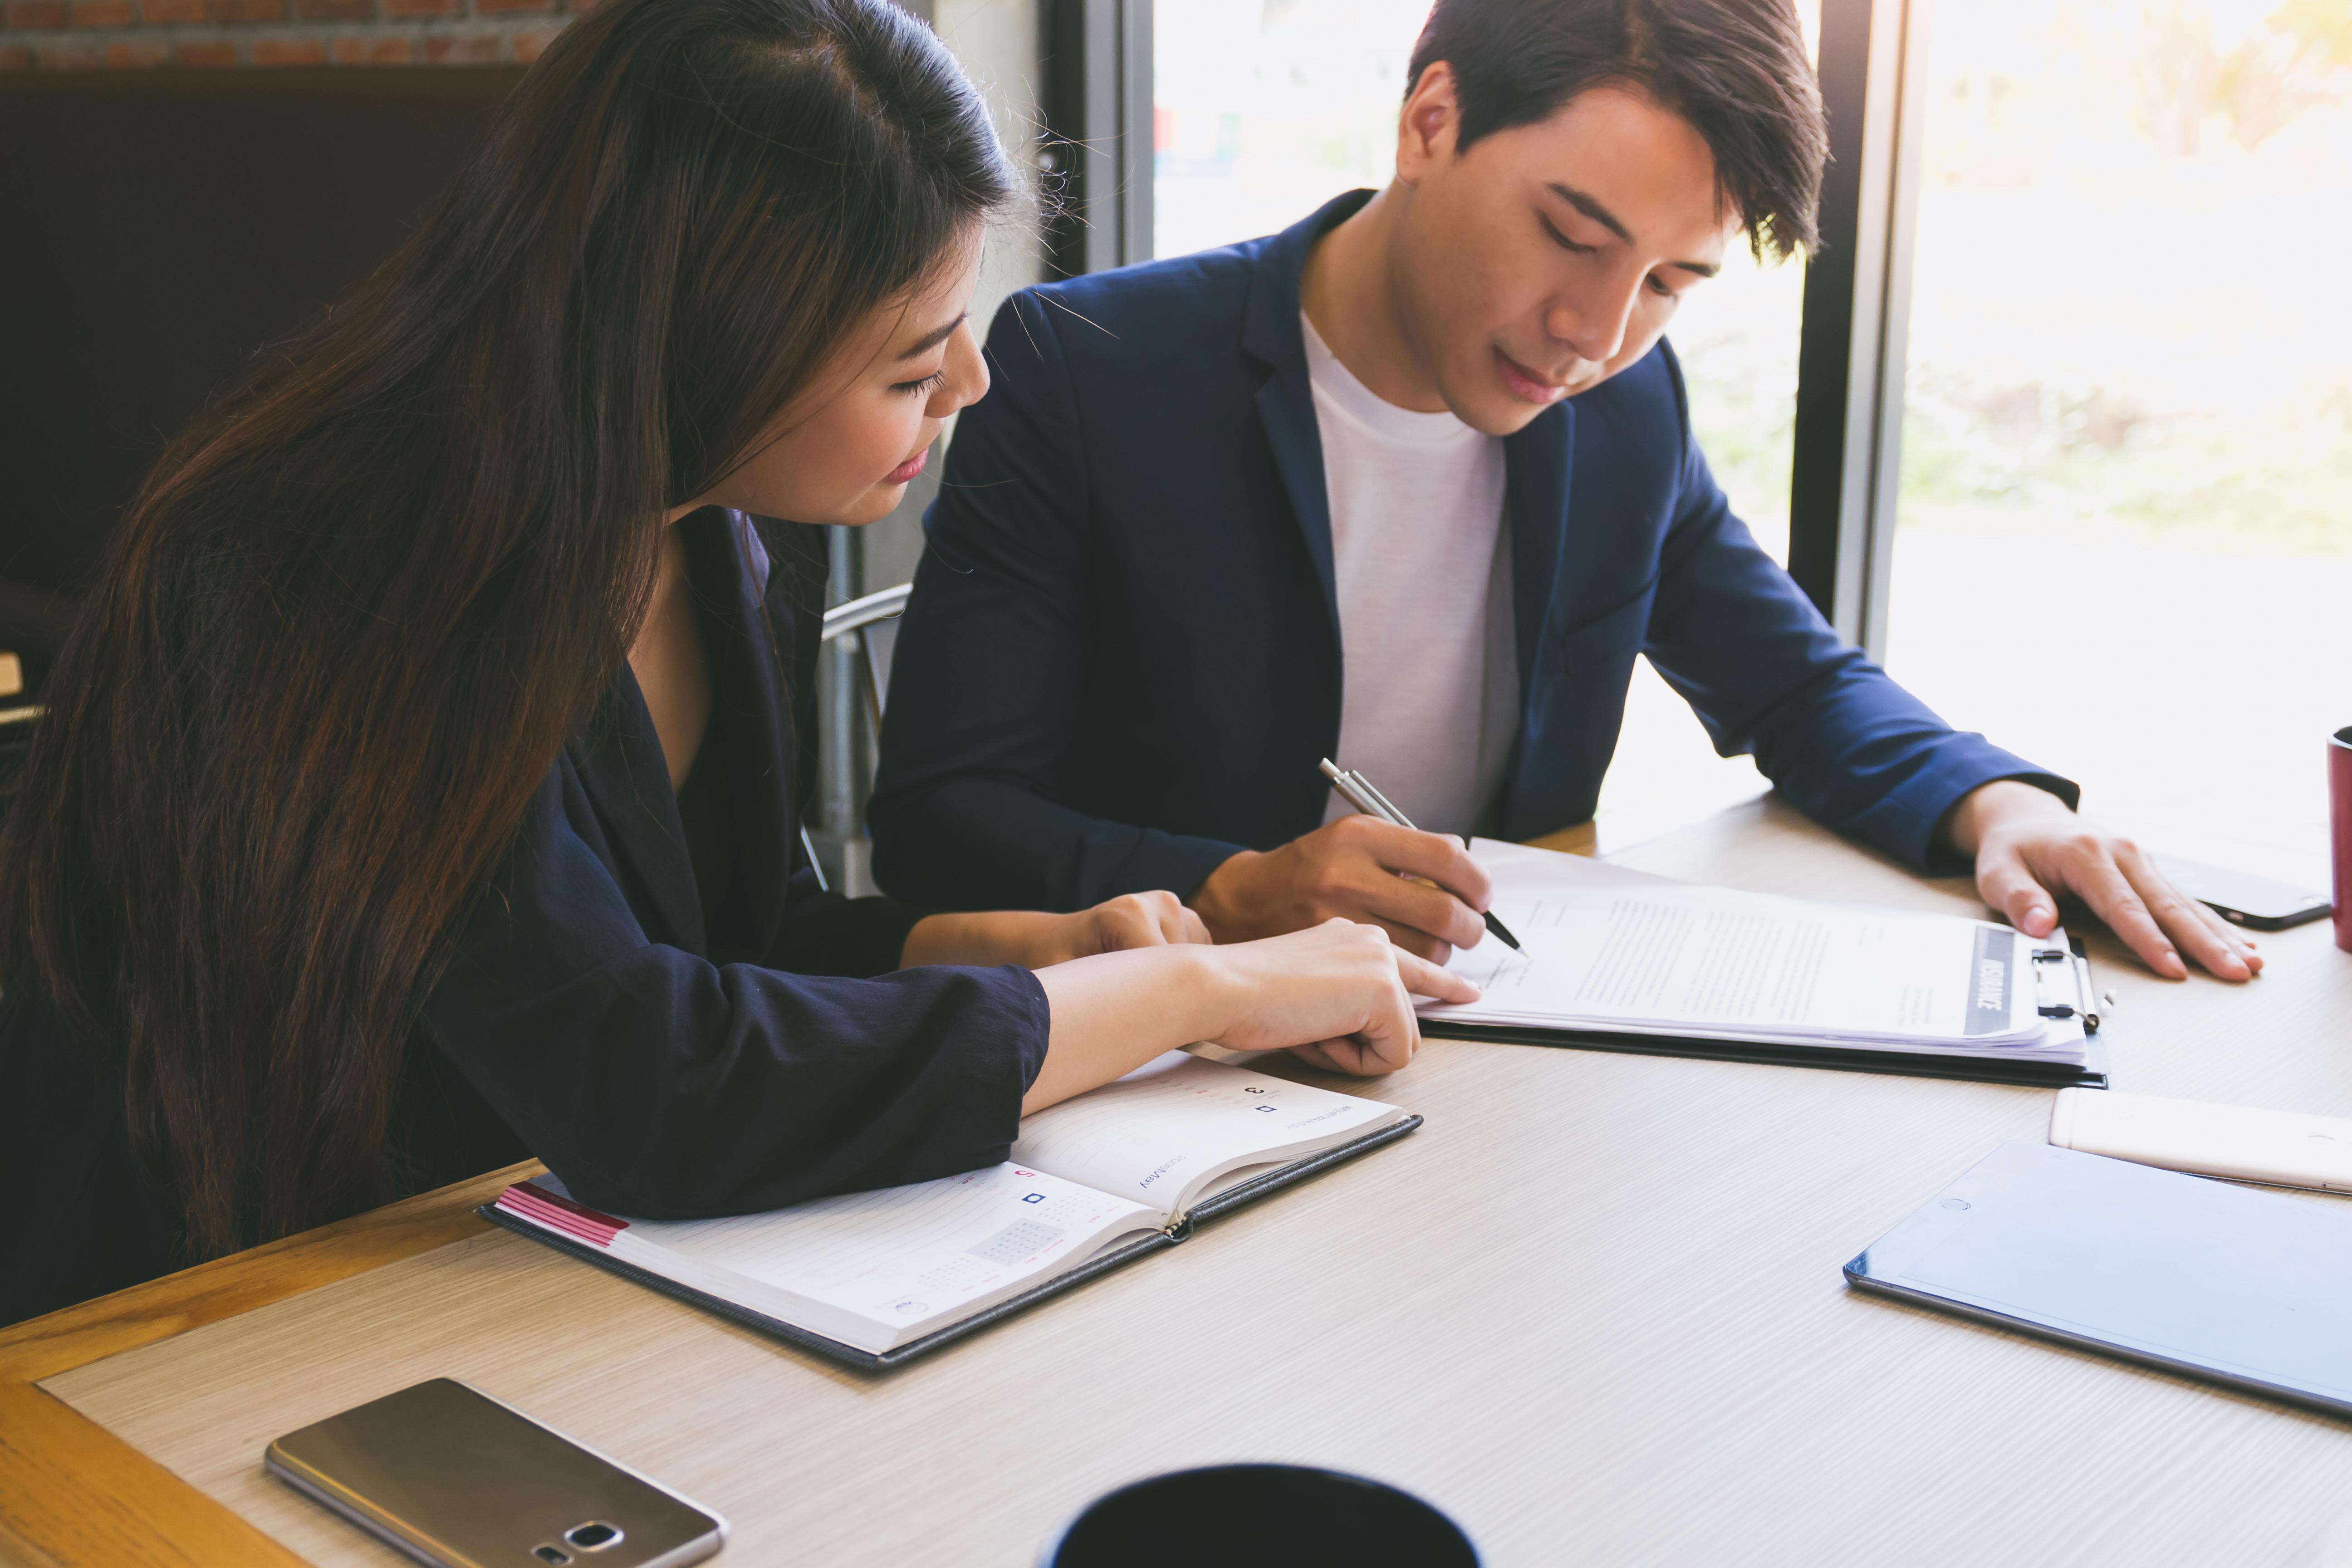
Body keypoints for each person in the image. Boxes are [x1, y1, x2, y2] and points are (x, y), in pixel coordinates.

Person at [0, 0, 1476, 1329]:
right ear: (718, 345)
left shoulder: (701, 510)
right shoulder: (357, 573)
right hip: (220, 1301)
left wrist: (1032, 947)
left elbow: (725, 932)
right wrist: (1191, 1000)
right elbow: (647, 1079)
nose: (968, 384)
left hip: (504, 1250)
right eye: (914, 361)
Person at [870, 0, 2261, 987]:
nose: (1595, 333)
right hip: (1181, 1063)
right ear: (1430, 120)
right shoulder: (1092, 370)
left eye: (1668, 283)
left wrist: (1996, 806)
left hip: (1495, 1062)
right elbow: (943, 819)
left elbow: (1791, 684)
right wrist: (1235, 887)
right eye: (1571, 235)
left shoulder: (1624, 409)